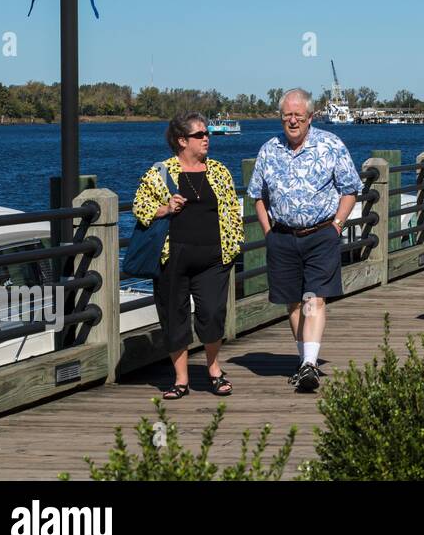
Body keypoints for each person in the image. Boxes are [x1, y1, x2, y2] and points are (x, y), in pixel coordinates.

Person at [246, 89, 362, 393]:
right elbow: (256, 195)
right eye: (287, 116)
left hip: (321, 233)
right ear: (281, 118)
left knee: (314, 299)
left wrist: (337, 225)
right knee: (293, 303)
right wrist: (268, 232)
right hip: (282, 236)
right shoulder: (269, 149)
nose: (292, 121)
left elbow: (350, 188)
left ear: (311, 117)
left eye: (298, 115)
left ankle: (310, 363)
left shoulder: (331, 145)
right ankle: (304, 363)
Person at [133, 113, 243, 400]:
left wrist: (234, 244)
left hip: (214, 258)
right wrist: (166, 208)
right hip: (172, 257)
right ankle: (180, 380)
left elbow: (232, 209)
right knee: (173, 317)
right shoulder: (160, 172)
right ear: (182, 141)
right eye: (200, 135)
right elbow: (140, 207)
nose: (207, 138)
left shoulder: (219, 171)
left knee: (212, 314)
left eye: (207, 134)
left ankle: (214, 369)